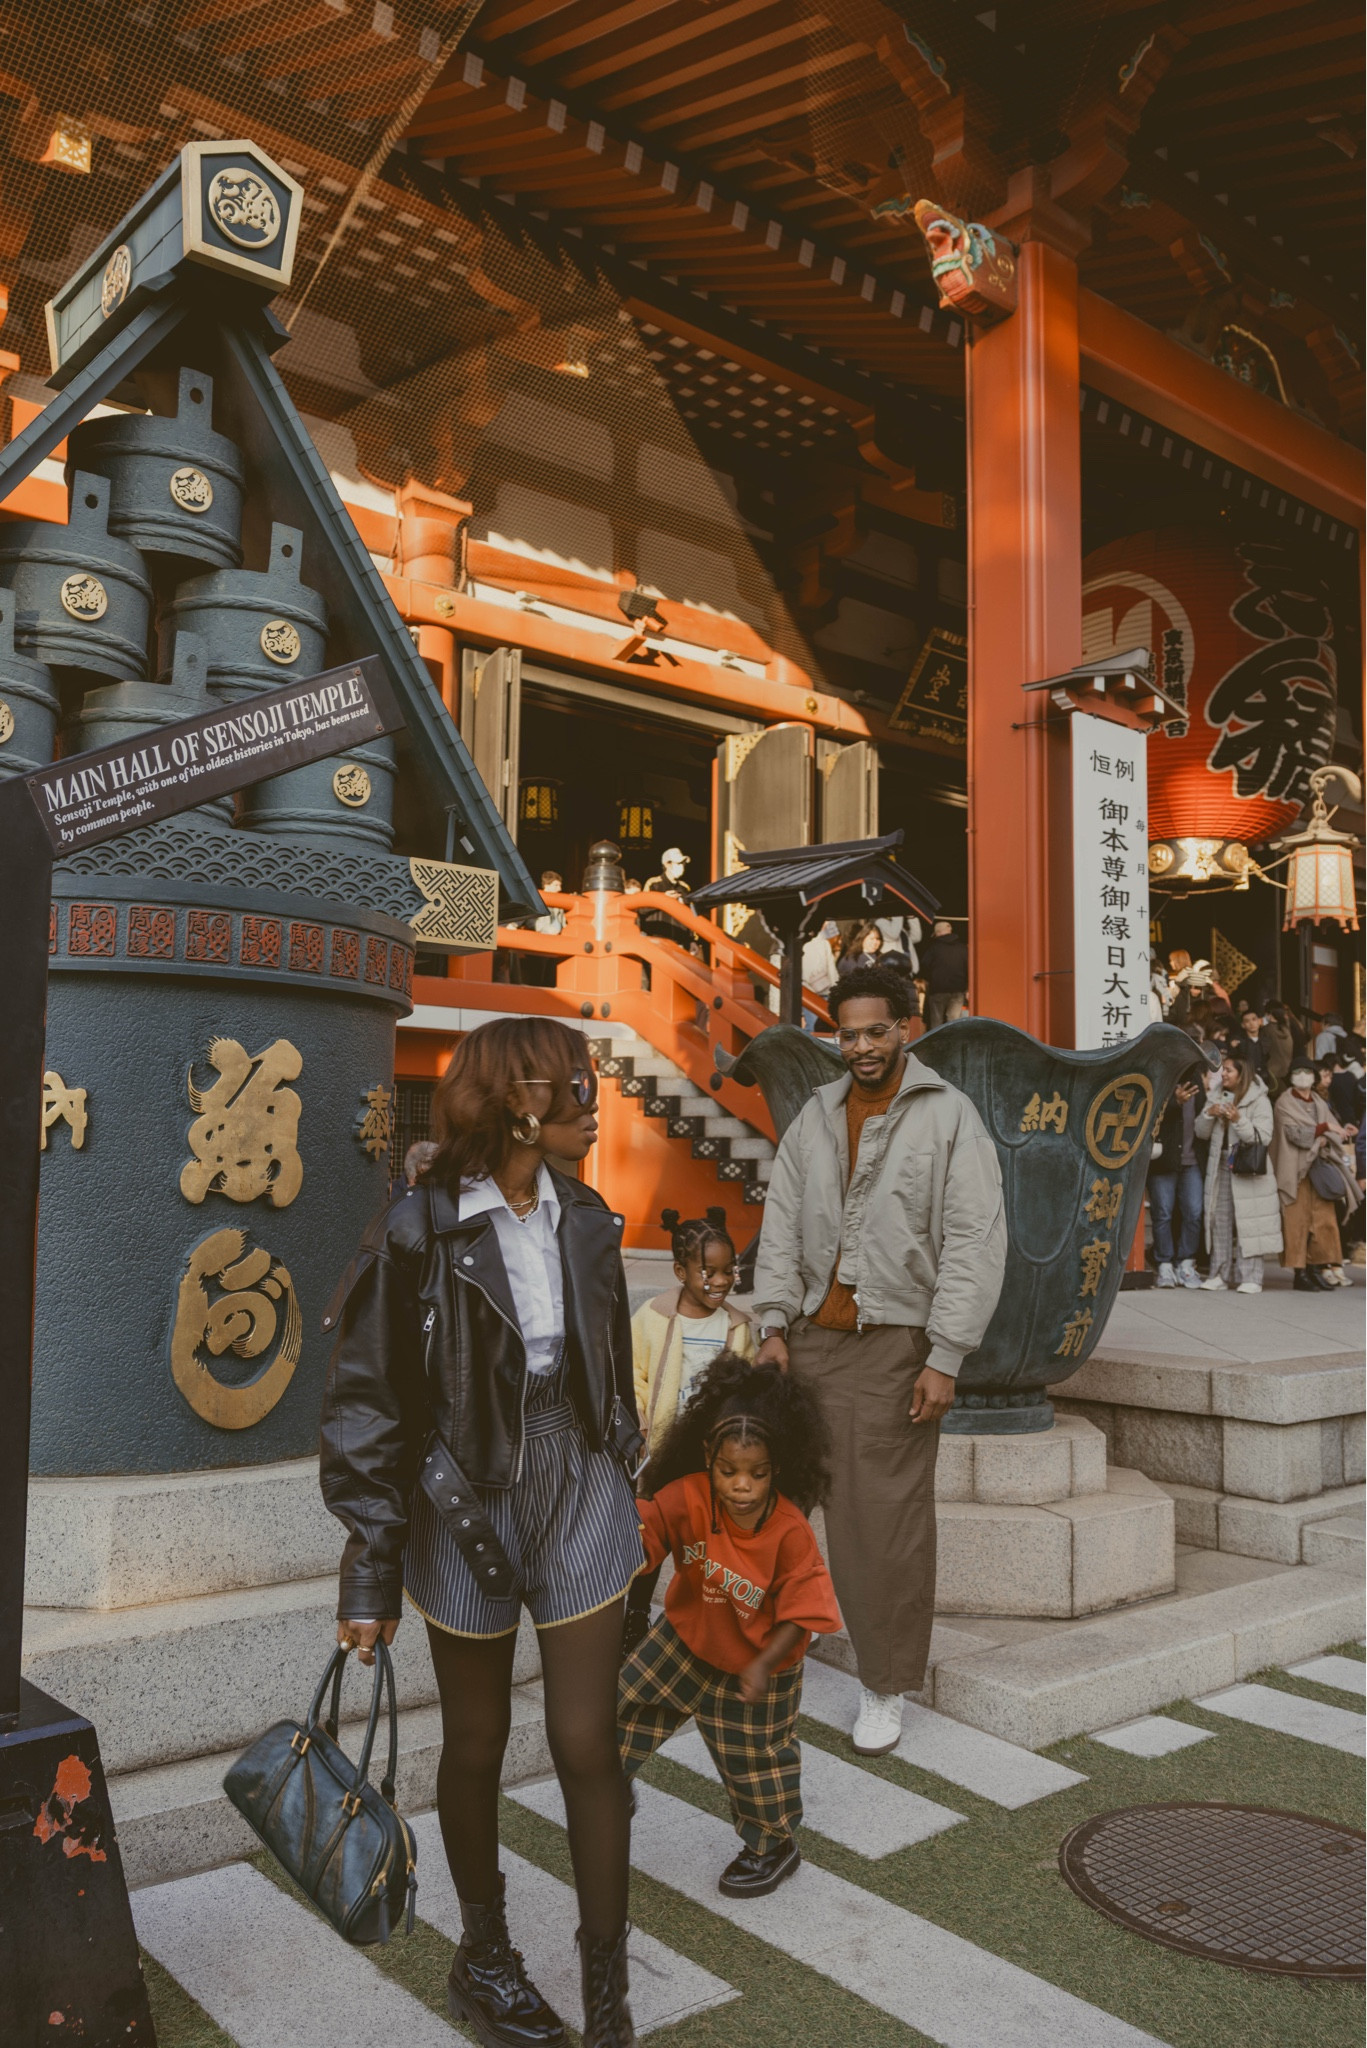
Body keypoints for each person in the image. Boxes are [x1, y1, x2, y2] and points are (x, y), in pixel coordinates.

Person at [320, 1019, 642, 2048]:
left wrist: (629, 1466)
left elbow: (606, 1362)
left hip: (577, 1473)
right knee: (477, 1738)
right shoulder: (417, 1229)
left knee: (586, 1738)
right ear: (519, 1103)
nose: (597, 1102)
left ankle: (605, 1990)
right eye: (578, 1086)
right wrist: (369, 1568)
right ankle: (486, 1956)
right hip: (464, 1491)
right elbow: (366, 1400)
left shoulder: (586, 1215)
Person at [749, 963, 1006, 1757]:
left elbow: (973, 1240)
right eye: (846, 1032)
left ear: (907, 1028)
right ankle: (750, 1655)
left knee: (881, 1528)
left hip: (894, 1347)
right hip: (804, 1343)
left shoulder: (949, 1117)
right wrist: (769, 1324)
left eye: (874, 1031)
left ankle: (884, 1685)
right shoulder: (816, 1114)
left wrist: (945, 1355)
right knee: (763, 1506)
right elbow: (782, 1220)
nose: (858, 1047)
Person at [619, 1355, 841, 1899]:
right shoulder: (686, 1496)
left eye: (757, 1474)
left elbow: (803, 1614)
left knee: (754, 1764)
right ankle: (604, 1786)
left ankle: (773, 1844)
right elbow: (640, 1541)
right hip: (686, 1640)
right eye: (728, 1471)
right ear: (707, 1459)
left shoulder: (790, 1531)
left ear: (778, 1467)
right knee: (620, 1704)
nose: (741, 1485)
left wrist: (764, 1665)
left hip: (759, 1665)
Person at [624, 1210, 753, 1655]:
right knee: (653, 1536)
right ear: (681, 1271)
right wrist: (640, 1424)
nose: (721, 1281)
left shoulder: (737, 1328)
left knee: (707, 1539)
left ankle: (704, 1618)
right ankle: (635, 1618)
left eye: (729, 1270)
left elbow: (747, 1386)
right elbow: (633, 1374)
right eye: (708, 1271)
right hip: (661, 1451)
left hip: (711, 1456)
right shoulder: (653, 1317)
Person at [1195, 1053, 1281, 1293]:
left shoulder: (1259, 1099)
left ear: (1242, 1074)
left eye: (1229, 1070)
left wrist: (1238, 1119)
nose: (1223, 1074)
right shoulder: (1216, 1094)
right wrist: (1208, 1114)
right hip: (1221, 1163)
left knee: (1249, 1221)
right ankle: (1219, 1274)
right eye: (1223, 1070)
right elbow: (1200, 1133)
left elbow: (1263, 1136)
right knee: (1218, 1219)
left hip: (1248, 1167)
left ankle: (1251, 1277)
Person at [1271, 1060, 1359, 1290]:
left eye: (1307, 1072)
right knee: (1297, 1222)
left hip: (1319, 1168)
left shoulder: (1319, 1101)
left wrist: (1342, 1130)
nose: (1302, 1076)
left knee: (1323, 1221)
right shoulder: (1284, 1102)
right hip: (1295, 1170)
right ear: (1290, 1076)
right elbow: (1296, 1135)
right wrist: (1324, 1130)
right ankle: (1300, 1272)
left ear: (1314, 1077)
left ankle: (1317, 1267)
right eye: (1297, 1072)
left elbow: (1334, 1128)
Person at [1148, 1077, 1204, 1287]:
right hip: (1164, 1160)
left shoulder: (1196, 1080)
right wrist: (1175, 1102)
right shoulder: (1161, 1077)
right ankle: (1164, 1264)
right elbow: (1148, 1112)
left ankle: (1186, 1263)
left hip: (1192, 1161)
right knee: (1162, 1212)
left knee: (1194, 1212)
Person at [920, 920, 969, 1030]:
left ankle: (936, 1046)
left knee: (936, 1022)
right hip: (958, 990)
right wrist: (966, 987)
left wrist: (930, 979)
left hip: (938, 990)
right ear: (950, 931)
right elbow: (968, 967)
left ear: (938, 933)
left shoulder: (933, 948)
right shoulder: (962, 948)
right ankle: (953, 1045)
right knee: (954, 1021)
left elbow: (924, 965)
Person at [1261, 1001, 1295, 1096]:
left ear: (1269, 1014)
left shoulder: (1266, 1030)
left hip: (1273, 1072)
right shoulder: (1286, 1029)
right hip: (1287, 1070)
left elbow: (1264, 1051)